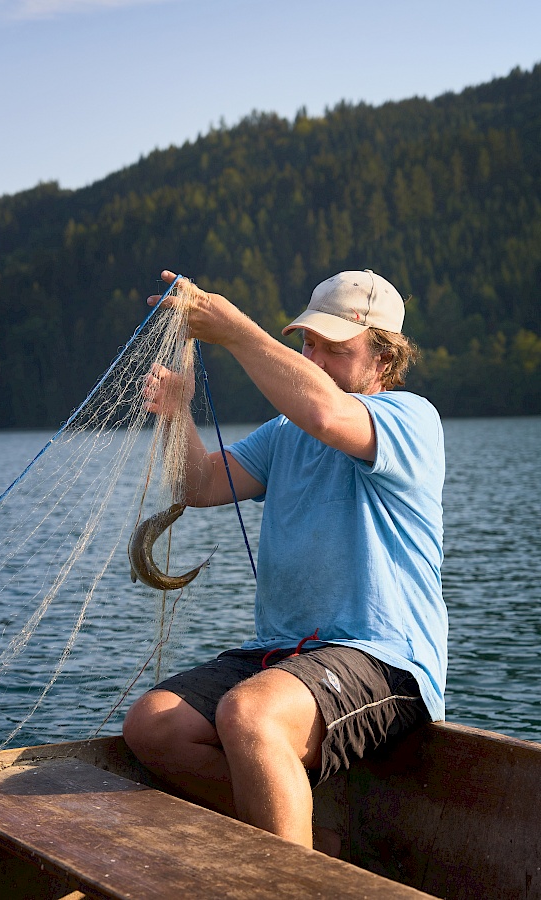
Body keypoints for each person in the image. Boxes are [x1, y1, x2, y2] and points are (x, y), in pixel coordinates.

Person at [123, 267, 447, 851]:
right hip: (285, 655)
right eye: (308, 343)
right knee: (154, 726)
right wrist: (176, 412)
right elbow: (199, 484)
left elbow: (327, 414)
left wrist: (236, 331)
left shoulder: (410, 419)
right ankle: (311, 840)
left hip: (384, 658)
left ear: (384, 358)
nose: (316, 359)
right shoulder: (284, 433)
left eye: (336, 349)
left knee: (251, 715)